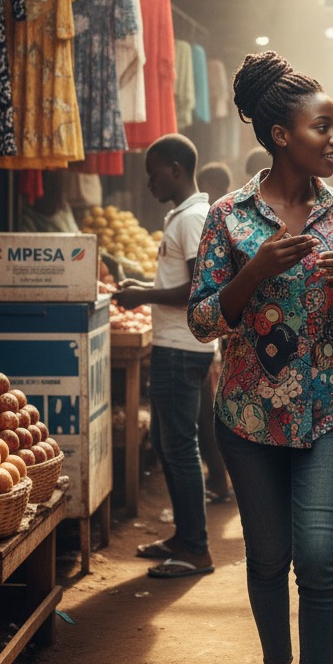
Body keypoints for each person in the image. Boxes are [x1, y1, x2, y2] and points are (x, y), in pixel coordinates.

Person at [188, 51, 333, 664]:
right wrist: (253, 273)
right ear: (280, 135)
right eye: (323, 127)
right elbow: (202, 321)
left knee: (320, 557)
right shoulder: (229, 217)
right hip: (249, 417)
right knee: (268, 558)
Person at [113, 134, 216, 579]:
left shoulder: (191, 219)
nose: (149, 181)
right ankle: (183, 537)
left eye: (153, 172)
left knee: (179, 446)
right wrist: (144, 286)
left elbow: (198, 289)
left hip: (181, 346)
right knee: (167, 440)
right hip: (177, 344)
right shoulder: (185, 215)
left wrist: (143, 296)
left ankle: (196, 549)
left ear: (175, 169)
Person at [193, 159, 235, 503]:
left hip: (219, 336)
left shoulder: (218, 217)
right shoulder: (222, 215)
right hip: (218, 333)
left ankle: (221, 478)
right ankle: (222, 477)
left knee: (211, 410)